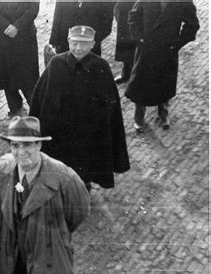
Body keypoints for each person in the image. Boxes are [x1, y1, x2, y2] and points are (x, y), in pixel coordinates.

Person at [0, 116, 90, 274]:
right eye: (15, 146)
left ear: (39, 144)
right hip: (16, 259)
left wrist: (54, 232)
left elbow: (78, 213)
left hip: (48, 261)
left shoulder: (64, 178)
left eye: (27, 145)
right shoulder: (5, 171)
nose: (21, 152)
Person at [30, 25, 130, 190]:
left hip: (87, 136)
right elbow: (40, 99)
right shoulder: (56, 64)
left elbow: (111, 108)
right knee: (58, 170)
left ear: (93, 44)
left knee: (84, 174)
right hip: (60, 135)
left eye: (84, 43)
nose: (78, 48)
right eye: (74, 42)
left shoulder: (101, 67)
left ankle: (83, 193)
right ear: (68, 41)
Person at [125, 0, 199, 132]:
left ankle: (163, 112)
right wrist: (139, 39)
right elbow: (133, 17)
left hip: (166, 50)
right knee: (141, 82)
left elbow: (192, 24)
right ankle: (139, 114)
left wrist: (177, 44)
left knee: (164, 82)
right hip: (146, 48)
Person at [0, 2, 39, 117]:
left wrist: (17, 26)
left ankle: (37, 110)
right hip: (1, 36)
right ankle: (15, 108)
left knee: (28, 78)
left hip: (25, 36)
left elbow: (33, 7)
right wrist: (5, 26)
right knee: (6, 76)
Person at [47, 0, 114, 58]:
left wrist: (90, 40)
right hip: (65, 44)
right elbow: (57, 16)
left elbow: (106, 26)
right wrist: (54, 42)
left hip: (90, 48)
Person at [113, 0, 136, 84]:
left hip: (141, 10)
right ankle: (126, 73)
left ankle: (139, 76)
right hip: (124, 11)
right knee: (126, 44)